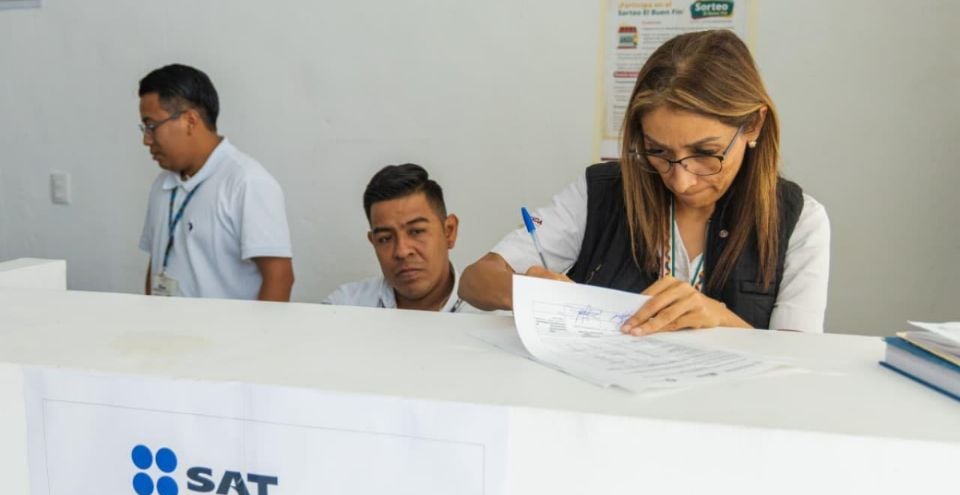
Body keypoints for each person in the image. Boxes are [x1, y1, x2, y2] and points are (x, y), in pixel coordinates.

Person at [460, 29, 830, 333]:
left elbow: (797, 364)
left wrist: (721, 319)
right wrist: (524, 291)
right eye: (659, 152)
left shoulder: (800, 221)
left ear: (753, 125)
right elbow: (475, 280)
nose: (681, 181)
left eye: (705, 153)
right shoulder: (600, 193)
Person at [137, 64, 294, 301]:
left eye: (151, 126)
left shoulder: (247, 182)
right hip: (166, 332)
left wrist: (256, 338)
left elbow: (279, 278)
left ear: (190, 120)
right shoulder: (162, 184)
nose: (146, 140)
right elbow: (158, 261)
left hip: (225, 336)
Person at [326, 164, 472, 312]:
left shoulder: (488, 316)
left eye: (416, 231)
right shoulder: (346, 307)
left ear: (449, 231)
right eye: (385, 239)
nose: (402, 251)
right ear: (373, 242)